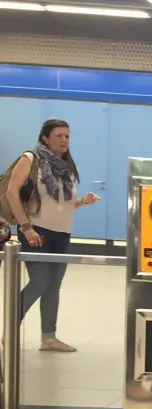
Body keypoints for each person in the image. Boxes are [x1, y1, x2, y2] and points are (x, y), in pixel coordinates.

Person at [4, 119, 100, 352]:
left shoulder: (67, 167)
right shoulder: (30, 159)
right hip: (36, 231)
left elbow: (64, 204)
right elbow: (11, 192)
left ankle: (49, 338)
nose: (64, 140)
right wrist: (26, 227)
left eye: (67, 136)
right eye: (59, 136)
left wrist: (83, 202)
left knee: (53, 286)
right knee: (40, 282)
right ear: (45, 138)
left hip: (62, 234)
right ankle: (10, 330)